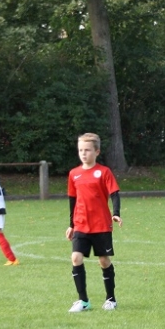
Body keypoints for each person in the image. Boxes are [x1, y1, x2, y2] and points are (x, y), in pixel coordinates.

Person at [66, 133, 122, 313]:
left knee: (104, 261)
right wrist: (71, 224)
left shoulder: (104, 172)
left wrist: (116, 213)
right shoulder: (74, 174)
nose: (83, 153)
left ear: (96, 151)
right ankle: (83, 301)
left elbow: (114, 194)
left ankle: (111, 299)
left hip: (101, 225)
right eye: (81, 150)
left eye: (87, 150)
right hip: (81, 224)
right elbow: (72, 200)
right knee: (76, 258)